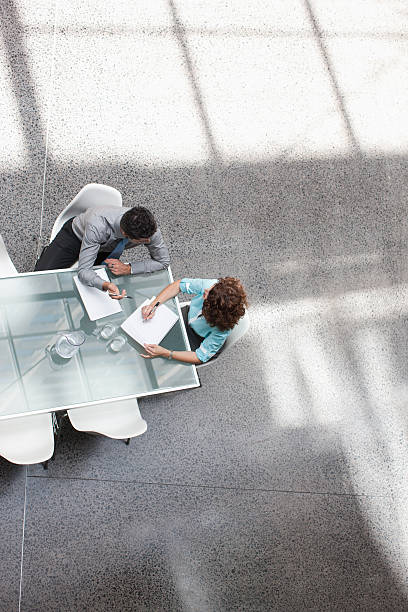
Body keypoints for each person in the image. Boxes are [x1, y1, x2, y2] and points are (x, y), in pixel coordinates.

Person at [35, 206, 170, 300]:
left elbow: (163, 261)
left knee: (89, 288)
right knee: (41, 276)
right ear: (125, 233)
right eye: (143, 241)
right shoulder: (98, 225)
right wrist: (106, 284)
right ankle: (49, 252)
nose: (148, 241)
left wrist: (129, 269)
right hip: (76, 236)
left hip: (106, 247)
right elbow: (84, 272)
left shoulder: (151, 231)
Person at [141, 277, 248, 364]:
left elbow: (199, 357)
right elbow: (179, 285)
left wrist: (167, 353)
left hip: (196, 339)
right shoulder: (213, 286)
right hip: (186, 317)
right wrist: (153, 305)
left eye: (207, 294)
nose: (205, 290)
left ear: (210, 309)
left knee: (156, 357)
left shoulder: (221, 331)